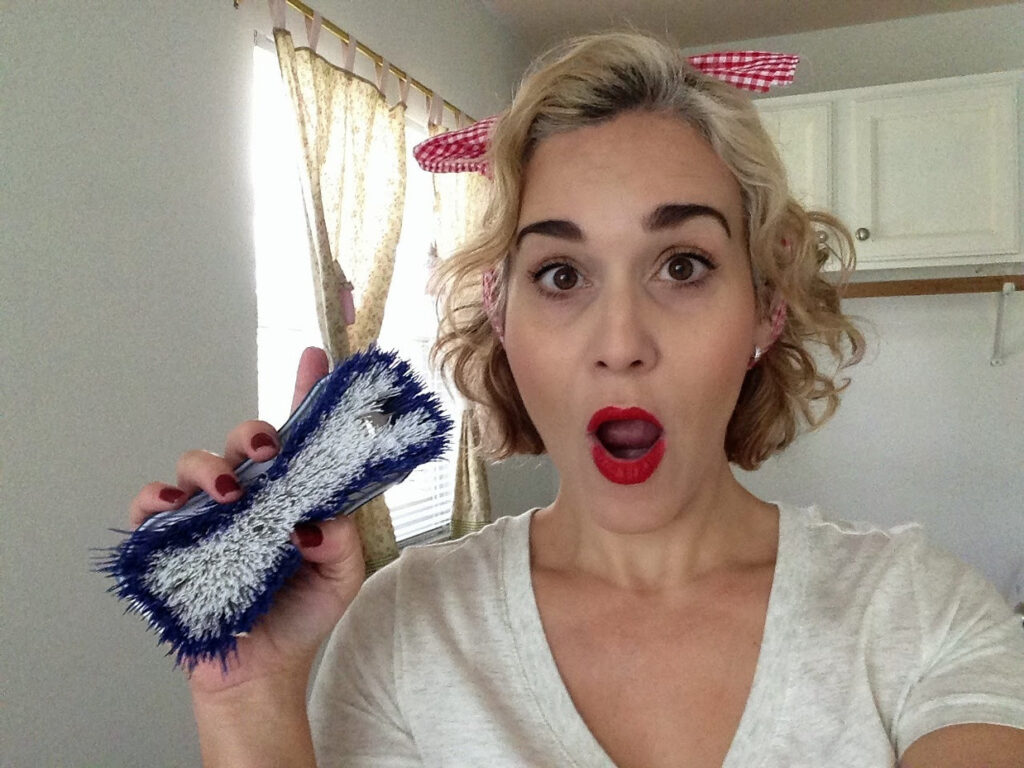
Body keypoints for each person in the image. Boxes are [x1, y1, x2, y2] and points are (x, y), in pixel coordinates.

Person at [130, 32, 1024, 767]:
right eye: (561, 274)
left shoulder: (919, 615)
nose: (621, 342)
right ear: (503, 319)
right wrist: (249, 700)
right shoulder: (404, 628)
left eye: (683, 266)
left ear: (766, 306)